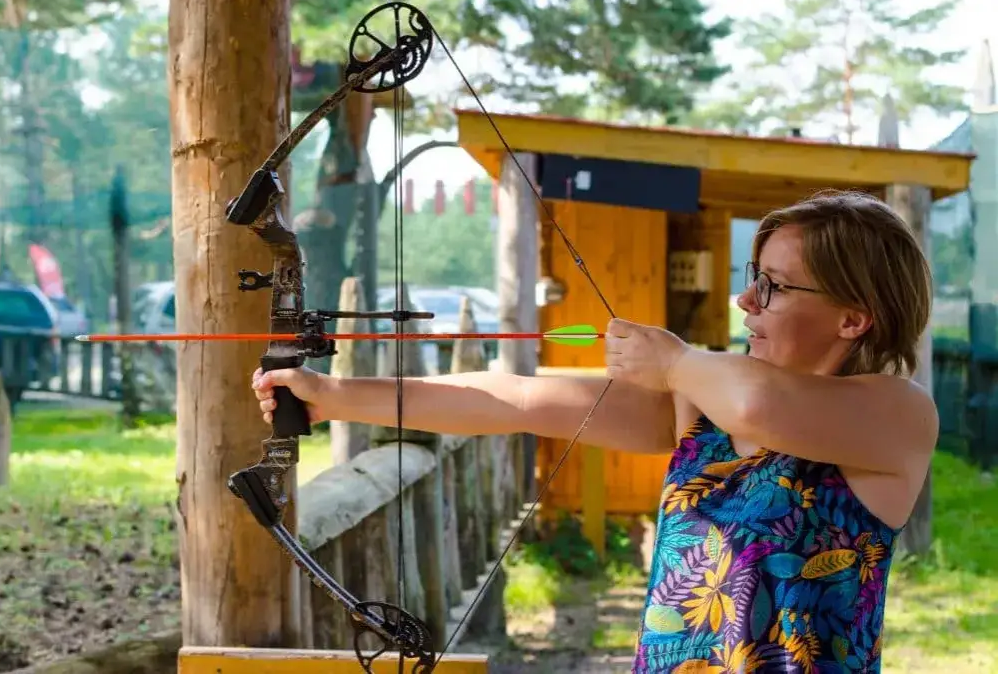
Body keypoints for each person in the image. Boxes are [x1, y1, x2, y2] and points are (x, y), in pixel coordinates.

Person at [252, 190, 937, 673]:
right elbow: (514, 398)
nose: (745, 300)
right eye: (750, 278)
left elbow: (759, 405)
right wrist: (334, 396)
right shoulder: (701, 410)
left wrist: (674, 360)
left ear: (853, 318)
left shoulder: (894, 414)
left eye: (776, 287)